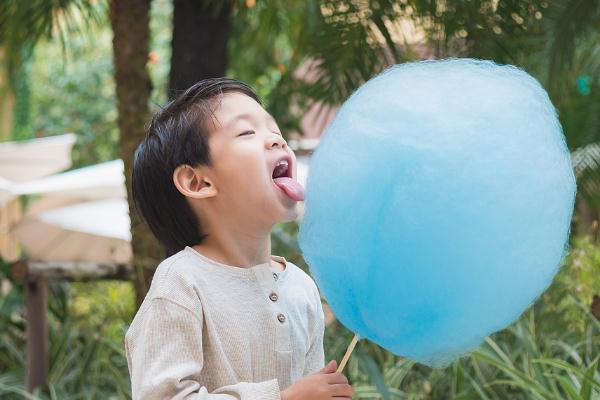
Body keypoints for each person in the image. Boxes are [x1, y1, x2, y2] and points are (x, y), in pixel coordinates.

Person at [126, 77, 354, 400]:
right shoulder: (181, 283)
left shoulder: (302, 288)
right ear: (197, 181)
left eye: (274, 129)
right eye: (247, 132)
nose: (277, 140)